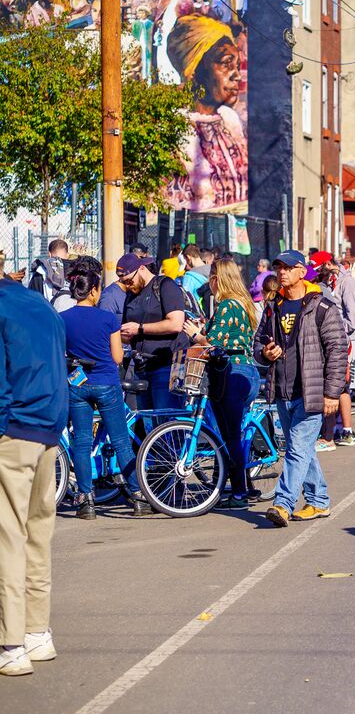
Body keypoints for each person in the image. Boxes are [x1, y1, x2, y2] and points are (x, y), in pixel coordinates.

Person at [0, 273, 67, 676]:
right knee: (37, 533)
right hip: (48, 427)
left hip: (14, 428)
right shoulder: (41, 304)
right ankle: (37, 633)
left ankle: (10, 644)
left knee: (8, 535)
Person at [255, 250, 347, 527]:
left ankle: (283, 504)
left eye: (287, 267)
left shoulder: (322, 306)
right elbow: (259, 341)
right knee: (302, 449)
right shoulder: (274, 306)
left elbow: (338, 350)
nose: (281, 272)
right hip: (282, 389)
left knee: (297, 448)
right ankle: (319, 501)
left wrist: (331, 393)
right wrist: (265, 353)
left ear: (302, 271)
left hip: (311, 391)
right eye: (278, 267)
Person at [60, 262, 149, 520]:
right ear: (93, 291)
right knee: (122, 441)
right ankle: (137, 496)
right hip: (107, 383)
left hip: (78, 386)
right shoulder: (108, 318)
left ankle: (86, 500)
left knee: (82, 442)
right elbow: (118, 357)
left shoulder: (63, 319)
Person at [182, 259, 260, 510]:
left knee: (231, 435)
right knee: (232, 434)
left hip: (232, 372)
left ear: (218, 279)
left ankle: (239, 492)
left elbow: (213, 342)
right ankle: (242, 484)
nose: (209, 284)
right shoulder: (243, 302)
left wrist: (194, 333)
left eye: (211, 278)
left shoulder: (227, 304)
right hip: (247, 371)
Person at [165, 15, 248, 211]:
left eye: (236, 65)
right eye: (226, 64)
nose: (236, 75)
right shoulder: (175, 129)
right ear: (194, 71)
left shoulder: (230, 122)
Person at [117, 252, 186, 409]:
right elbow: (129, 330)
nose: (128, 286)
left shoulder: (165, 285)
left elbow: (176, 324)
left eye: (129, 281)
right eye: (124, 283)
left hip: (167, 366)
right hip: (142, 368)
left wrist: (139, 329)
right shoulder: (131, 295)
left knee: (166, 423)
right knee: (149, 426)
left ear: (141, 269)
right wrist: (123, 335)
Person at [309, 252, 355, 446]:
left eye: (319, 268)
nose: (318, 273)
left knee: (339, 383)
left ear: (329, 264)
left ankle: (335, 434)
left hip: (346, 340)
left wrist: (336, 331)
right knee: (339, 385)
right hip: (333, 338)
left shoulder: (347, 283)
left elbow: (354, 319)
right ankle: (343, 431)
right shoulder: (329, 282)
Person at [25, 239, 73, 312]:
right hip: (72, 313)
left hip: (49, 315)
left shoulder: (41, 271)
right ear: (68, 255)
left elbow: (32, 301)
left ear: (49, 254)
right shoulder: (77, 270)